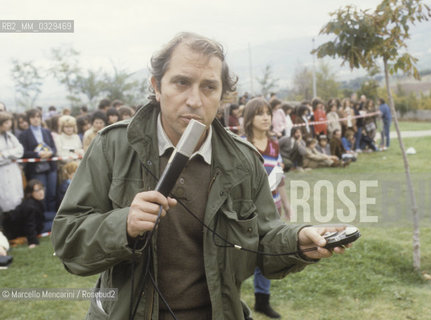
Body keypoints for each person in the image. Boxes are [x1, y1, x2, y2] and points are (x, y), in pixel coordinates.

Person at [52, 32, 350, 320]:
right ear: (156, 86)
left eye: (209, 87)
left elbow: (262, 241)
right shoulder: (113, 147)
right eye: (181, 82)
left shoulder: (242, 161)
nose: (194, 100)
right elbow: (67, 242)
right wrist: (123, 225)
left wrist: (299, 241)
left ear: (222, 95)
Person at [243, 97, 291, 319]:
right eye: (260, 113)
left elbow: (279, 177)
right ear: (250, 117)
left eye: (268, 113)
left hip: (272, 211)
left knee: (266, 255)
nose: (266, 118)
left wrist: (287, 207)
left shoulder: (274, 144)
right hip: (246, 213)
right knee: (241, 257)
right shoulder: (241, 144)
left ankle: (262, 301)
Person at [18, 108, 58, 213]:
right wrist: (38, 154)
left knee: (52, 193)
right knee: (40, 195)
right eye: (33, 117)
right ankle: (43, 218)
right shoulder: (24, 134)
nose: (36, 119)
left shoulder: (46, 131)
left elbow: (54, 148)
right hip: (36, 169)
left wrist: (50, 153)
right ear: (29, 119)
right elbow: (23, 152)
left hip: (50, 167)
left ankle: (54, 217)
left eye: (38, 117)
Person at [4, 179, 46, 248]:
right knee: (54, 223)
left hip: (31, 226)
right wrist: (33, 242)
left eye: (41, 189)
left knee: (54, 218)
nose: (41, 192)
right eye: (37, 190)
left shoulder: (37, 201)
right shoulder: (30, 206)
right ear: (30, 193)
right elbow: (30, 225)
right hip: (15, 231)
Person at [0, 112, 24, 217]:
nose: (9, 124)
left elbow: (20, 151)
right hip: (2, 172)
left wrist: (6, 154)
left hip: (13, 171)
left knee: (16, 198)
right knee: (4, 199)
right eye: (7, 122)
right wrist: (10, 156)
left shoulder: (9, 135)